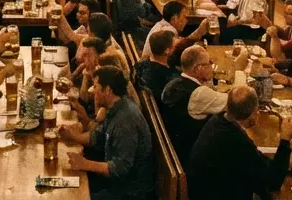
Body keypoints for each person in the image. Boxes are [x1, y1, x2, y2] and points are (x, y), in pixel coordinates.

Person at [187, 85, 292, 200]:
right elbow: (273, 182)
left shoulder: (219, 120)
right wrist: (285, 140)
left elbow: (255, 159)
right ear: (255, 112)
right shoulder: (234, 139)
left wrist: (289, 167)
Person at [63, 66, 155, 200]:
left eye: (96, 87)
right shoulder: (116, 108)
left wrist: (84, 163)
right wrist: (73, 135)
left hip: (128, 192)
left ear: (107, 90)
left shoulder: (125, 121)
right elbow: (97, 136)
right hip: (115, 183)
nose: (93, 91)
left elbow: (121, 168)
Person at [159, 45, 228, 158]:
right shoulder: (199, 94)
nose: (212, 66)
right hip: (192, 154)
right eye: (209, 63)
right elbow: (236, 102)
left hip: (175, 148)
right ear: (198, 69)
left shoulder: (172, 84)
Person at [132, 28, 180, 102]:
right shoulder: (164, 75)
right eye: (174, 46)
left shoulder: (144, 63)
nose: (176, 48)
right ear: (167, 51)